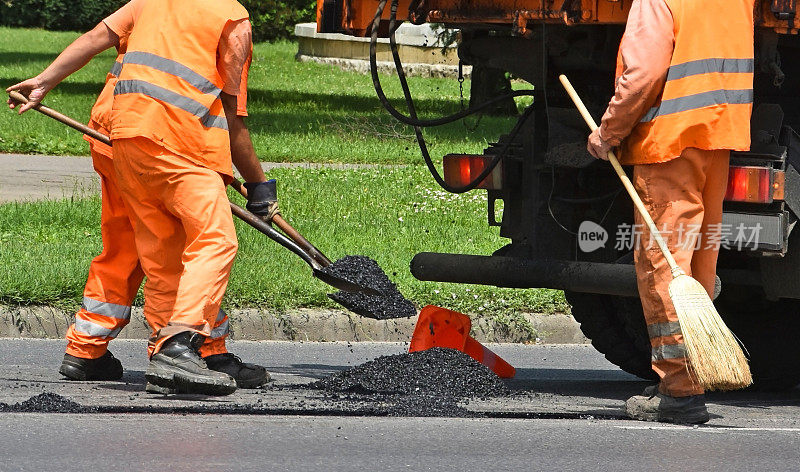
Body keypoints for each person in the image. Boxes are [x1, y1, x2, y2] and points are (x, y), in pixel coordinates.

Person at [8, 0, 278, 395]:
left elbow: (93, 38)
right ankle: (181, 345)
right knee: (211, 241)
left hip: (123, 137)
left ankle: (163, 351)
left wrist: (45, 81)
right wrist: (258, 184)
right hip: (180, 143)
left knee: (156, 249)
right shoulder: (232, 17)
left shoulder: (150, 1)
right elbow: (234, 114)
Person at [587, 0, 754, 423]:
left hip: (668, 145)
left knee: (664, 267)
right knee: (696, 266)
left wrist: (608, 131)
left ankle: (679, 390)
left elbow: (643, 73)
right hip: (717, 139)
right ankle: (692, 372)